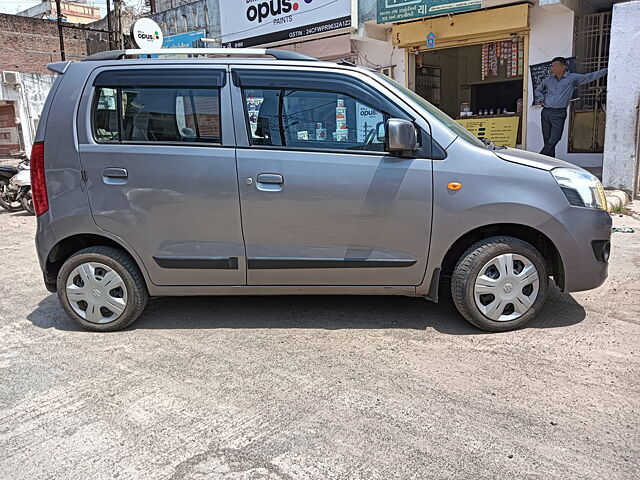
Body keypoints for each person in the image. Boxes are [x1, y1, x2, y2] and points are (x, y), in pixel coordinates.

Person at [534, 57, 607, 157]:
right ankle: (548, 162)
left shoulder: (572, 78)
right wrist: (542, 98)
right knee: (547, 140)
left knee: (555, 138)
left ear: (563, 67)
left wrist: (606, 70)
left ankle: (540, 157)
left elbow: (589, 77)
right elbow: (538, 90)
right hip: (546, 112)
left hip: (559, 113)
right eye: (552, 66)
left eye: (555, 66)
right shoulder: (549, 79)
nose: (553, 69)